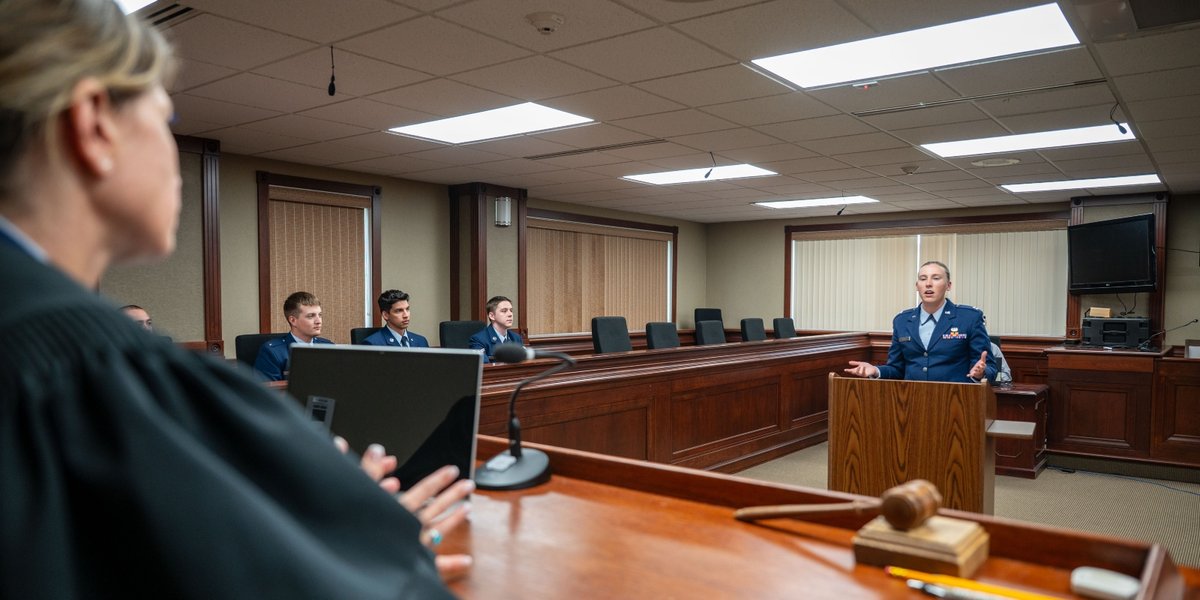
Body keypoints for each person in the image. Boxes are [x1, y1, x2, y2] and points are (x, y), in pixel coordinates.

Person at [0, 1, 467, 596]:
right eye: (164, 121)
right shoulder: (96, 375)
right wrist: (377, 542)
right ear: (93, 125)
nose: (176, 165)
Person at [845, 260, 996, 383]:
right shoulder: (902, 321)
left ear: (948, 285)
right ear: (917, 286)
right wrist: (875, 371)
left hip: (956, 402)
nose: (928, 284)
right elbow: (896, 369)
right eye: (922, 279)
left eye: (936, 278)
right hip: (911, 402)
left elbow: (990, 368)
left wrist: (980, 373)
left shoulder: (969, 318)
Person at [254, 291, 333, 381]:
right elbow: (267, 392)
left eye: (320, 315)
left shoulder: (329, 347)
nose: (318, 321)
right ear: (293, 320)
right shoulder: (272, 352)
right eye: (311, 316)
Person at [363, 289, 430, 348]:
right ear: (386, 315)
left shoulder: (421, 341)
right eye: (399, 311)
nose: (406, 315)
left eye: (407, 309)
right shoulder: (373, 344)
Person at [468, 295, 523, 363]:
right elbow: (485, 367)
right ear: (492, 316)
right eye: (504, 311)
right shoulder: (478, 340)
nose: (510, 314)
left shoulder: (516, 338)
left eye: (511, 310)